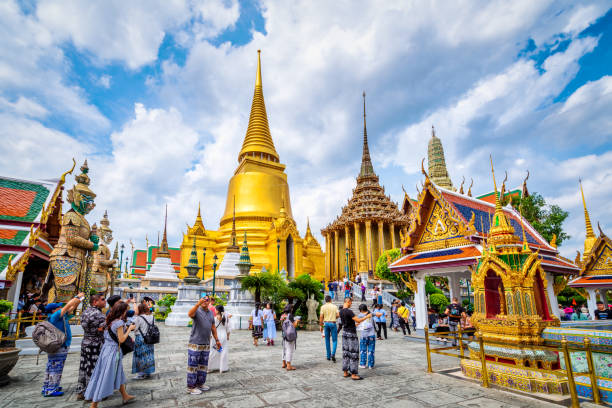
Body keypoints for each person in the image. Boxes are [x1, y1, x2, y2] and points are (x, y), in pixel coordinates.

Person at [85, 302, 135, 407]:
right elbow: (121, 339)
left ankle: (125, 396)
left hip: (105, 350)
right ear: (122, 311)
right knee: (105, 376)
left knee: (118, 373)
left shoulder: (109, 321)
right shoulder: (119, 323)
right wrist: (129, 329)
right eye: (126, 310)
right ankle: (94, 404)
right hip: (113, 351)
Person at [41, 294, 83, 397]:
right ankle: (51, 389)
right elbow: (67, 306)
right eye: (58, 307)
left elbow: (71, 308)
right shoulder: (54, 317)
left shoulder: (61, 317)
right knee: (56, 367)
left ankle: (48, 386)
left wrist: (80, 299)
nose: (60, 308)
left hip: (61, 345)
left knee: (52, 366)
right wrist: (77, 297)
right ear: (53, 310)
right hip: (60, 346)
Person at [186, 296, 222, 395]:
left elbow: (213, 327)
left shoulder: (211, 312)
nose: (205, 302)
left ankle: (200, 383)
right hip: (195, 343)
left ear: (209, 302)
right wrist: (197, 304)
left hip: (206, 343)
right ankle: (191, 387)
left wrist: (217, 339)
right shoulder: (197, 310)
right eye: (203, 300)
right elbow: (190, 314)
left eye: (207, 300)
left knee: (203, 365)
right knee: (193, 366)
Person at [76, 294, 107, 400]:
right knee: (94, 368)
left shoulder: (85, 312)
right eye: (102, 300)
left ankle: (82, 390)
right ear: (95, 302)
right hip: (95, 344)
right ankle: (92, 393)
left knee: (84, 367)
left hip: (85, 342)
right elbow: (104, 328)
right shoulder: (98, 314)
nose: (105, 301)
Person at [339, 296, 373, 380]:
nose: (351, 304)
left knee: (346, 352)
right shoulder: (349, 311)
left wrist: (355, 324)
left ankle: (345, 372)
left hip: (345, 334)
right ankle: (354, 374)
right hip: (351, 335)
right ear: (348, 301)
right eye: (351, 302)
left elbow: (348, 322)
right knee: (354, 353)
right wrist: (367, 317)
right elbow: (358, 320)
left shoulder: (341, 311)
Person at [132, 303, 156, 379]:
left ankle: (141, 374)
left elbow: (135, 328)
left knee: (140, 356)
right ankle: (148, 372)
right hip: (150, 338)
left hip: (141, 338)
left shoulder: (138, 318)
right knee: (148, 355)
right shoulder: (152, 317)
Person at [208, 305, 230, 373]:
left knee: (213, 351)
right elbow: (228, 328)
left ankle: (210, 367)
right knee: (223, 351)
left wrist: (210, 336)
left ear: (217, 310)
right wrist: (228, 336)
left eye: (215, 309)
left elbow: (212, 329)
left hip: (216, 337)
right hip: (224, 336)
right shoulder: (226, 318)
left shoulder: (214, 318)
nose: (214, 310)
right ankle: (223, 368)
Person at [319, 295, 339, 362]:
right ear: (330, 300)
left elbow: (321, 317)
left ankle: (328, 356)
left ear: (325, 300)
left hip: (326, 323)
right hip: (333, 323)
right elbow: (338, 315)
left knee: (327, 340)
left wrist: (321, 326)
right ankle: (333, 354)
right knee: (334, 340)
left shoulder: (323, 307)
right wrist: (334, 318)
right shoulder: (335, 306)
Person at [357, 304, 376, 369]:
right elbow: (379, 314)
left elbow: (357, 323)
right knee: (371, 351)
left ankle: (363, 364)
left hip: (363, 335)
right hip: (371, 334)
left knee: (363, 350)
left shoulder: (360, 315)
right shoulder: (371, 314)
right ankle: (371, 365)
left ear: (361, 310)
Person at [280, 304, 299, 371]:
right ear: (290, 309)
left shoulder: (283, 315)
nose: (292, 309)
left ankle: (283, 363)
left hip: (284, 333)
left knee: (284, 348)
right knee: (289, 349)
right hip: (290, 334)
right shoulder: (290, 315)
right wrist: (297, 321)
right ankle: (288, 365)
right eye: (292, 308)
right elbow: (294, 325)